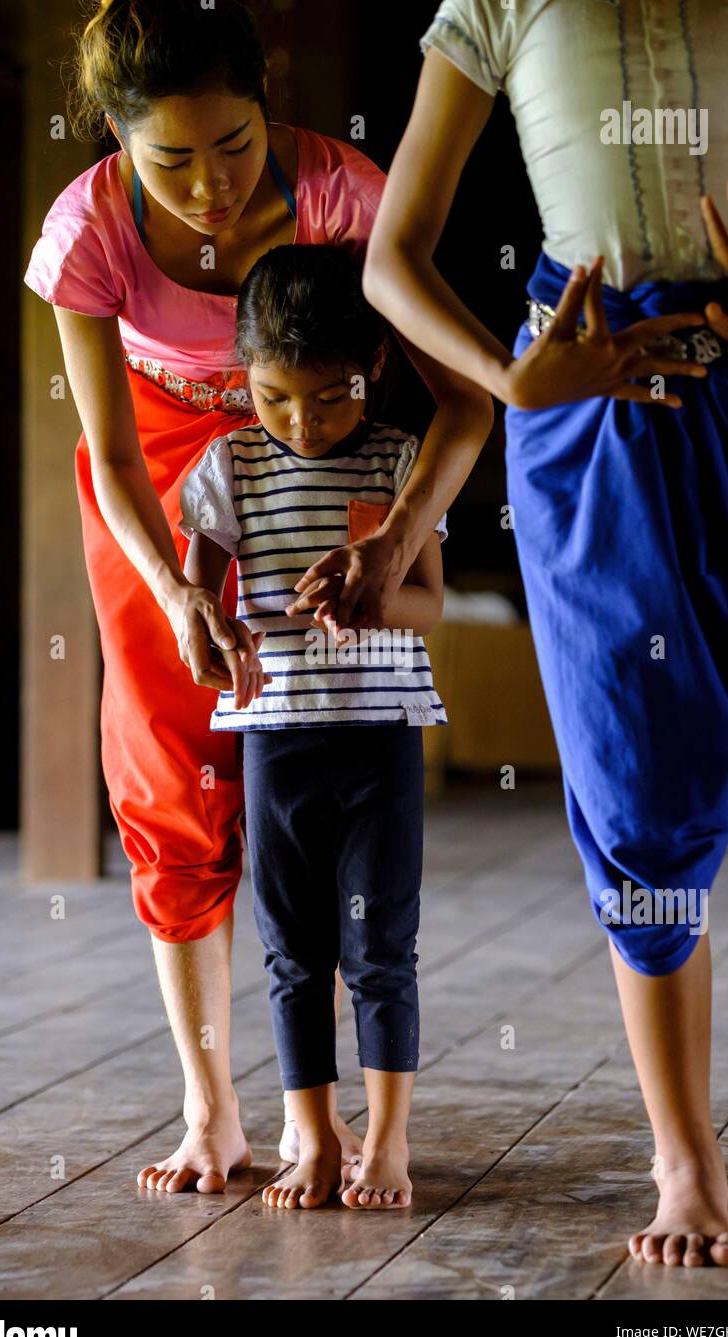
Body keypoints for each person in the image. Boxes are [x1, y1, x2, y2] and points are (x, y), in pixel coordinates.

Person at [295, 0, 728, 1265]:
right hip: (587, 408)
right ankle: (683, 1161)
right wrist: (510, 380)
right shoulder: (497, 5)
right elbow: (389, 259)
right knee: (635, 787)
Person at [23, 0, 492, 1194]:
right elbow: (116, 455)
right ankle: (211, 1108)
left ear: (267, 103)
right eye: (169, 158)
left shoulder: (343, 192)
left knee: (314, 756)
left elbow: (457, 400)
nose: (211, 184)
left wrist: (392, 538)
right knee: (165, 762)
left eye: (233, 144)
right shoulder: (89, 231)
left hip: (323, 456)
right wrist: (180, 592)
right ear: (116, 140)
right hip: (160, 485)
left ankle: (325, 1110)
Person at [179, 244, 451, 1209]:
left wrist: (376, 596)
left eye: (330, 397)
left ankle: (387, 1143)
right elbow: (194, 601)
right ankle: (315, 1139)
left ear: (374, 366)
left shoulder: (397, 460)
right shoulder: (228, 466)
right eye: (274, 397)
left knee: (382, 946)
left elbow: (430, 606)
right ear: (240, 376)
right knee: (294, 949)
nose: (302, 422)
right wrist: (195, 615)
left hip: (380, 732)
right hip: (274, 738)